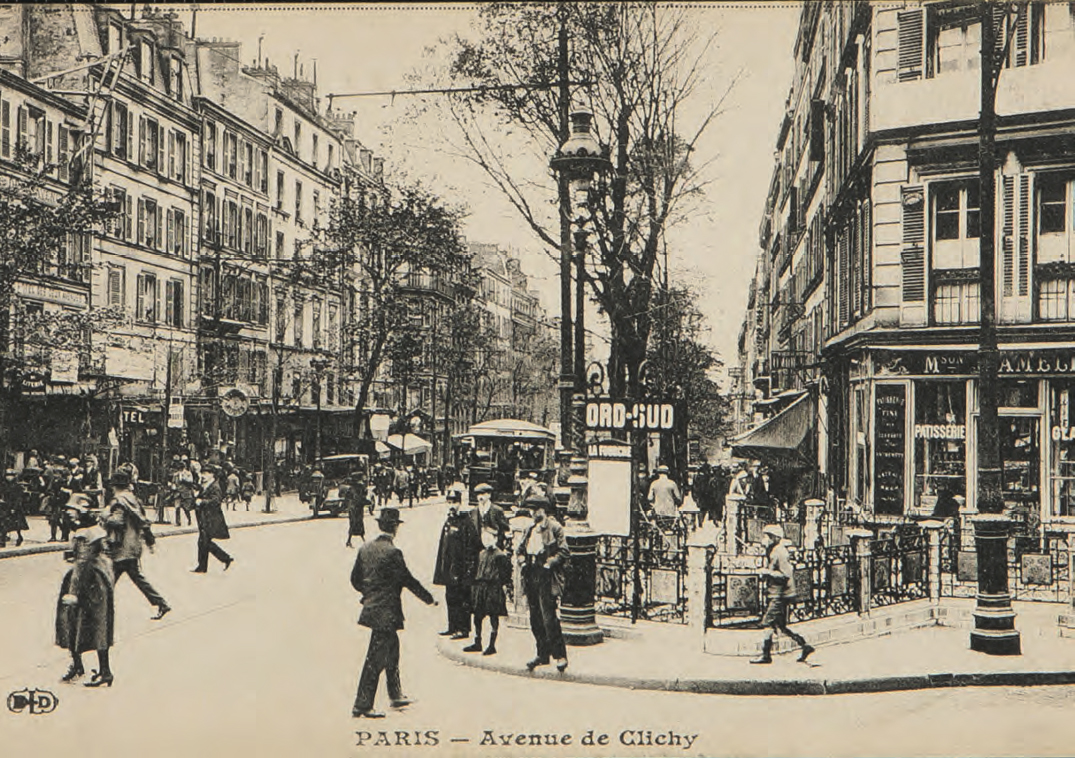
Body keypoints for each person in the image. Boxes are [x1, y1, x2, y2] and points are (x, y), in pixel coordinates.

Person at [350, 507, 436, 719]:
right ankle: (362, 705)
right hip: (386, 613)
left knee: (392, 651)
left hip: (373, 609)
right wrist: (429, 599)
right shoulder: (393, 553)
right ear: (395, 528)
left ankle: (395, 695)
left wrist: (369, 594)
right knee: (375, 659)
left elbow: (355, 580)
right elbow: (407, 580)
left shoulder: (365, 549)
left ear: (380, 526)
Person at [102, 466, 171, 621]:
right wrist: (150, 541)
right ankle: (161, 603)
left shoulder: (119, 500)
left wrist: (104, 517)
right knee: (135, 578)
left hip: (122, 547)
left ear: (115, 486)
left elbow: (118, 521)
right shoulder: (133, 498)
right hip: (132, 545)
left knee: (107, 580)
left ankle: (98, 610)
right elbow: (143, 521)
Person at [55, 521, 115, 687]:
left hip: (86, 584)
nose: (69, 514)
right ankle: (104, 670)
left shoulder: (82, 536)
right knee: (100, 626)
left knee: (72, 623)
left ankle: (80, 666)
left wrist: (73, 592)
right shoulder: (97, 533)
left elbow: (81, 563)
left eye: (73, 511)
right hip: (99, 581)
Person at [516, 496, 569, 673]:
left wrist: (549, 563)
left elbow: (564, 552)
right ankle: (542, 654)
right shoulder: (529, 529)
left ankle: (560, 656)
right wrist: (522, 561)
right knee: (535, 618)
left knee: (549, 618)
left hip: (546, 574)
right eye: (531, 510)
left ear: (543, 510)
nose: (533, 513)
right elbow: (520, 551)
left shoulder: (554, 528)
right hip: (531, 573)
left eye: (535, 510)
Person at [751, 524, 814, 665]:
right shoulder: (774, 550)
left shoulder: (780, 552)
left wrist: (767, 572)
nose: (765, 538)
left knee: (767, 623)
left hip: (779, 594)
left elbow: (785, 574)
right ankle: (805, 646)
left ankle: (765, 655)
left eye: (768, 536)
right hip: (776, 593)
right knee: (781, 626)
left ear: (775, 537)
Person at [432, 505, 478, 640]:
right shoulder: (449, 521)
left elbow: (471, 547)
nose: (452, 505)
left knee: (463, 599)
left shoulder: (466, 522)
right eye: (449, 501)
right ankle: (452, 627)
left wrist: (468, 569)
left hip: (461, 569)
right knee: (450, 597)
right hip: (449, 569)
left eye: (455, 501)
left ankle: (463, 629)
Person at [464, 526, 511, 656]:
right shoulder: (481, 554)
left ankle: (492, 645)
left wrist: (499, 584)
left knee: (493, 616)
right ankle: (477, 642)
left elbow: (505, 575)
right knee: (477, 616)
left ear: (495, 539)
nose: (486, 541)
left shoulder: (500, 555)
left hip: (493, 588)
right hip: (480, 588)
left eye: (489, 538)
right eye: (484, 538)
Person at [191, 466, 233, 573]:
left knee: (204, 541)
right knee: (204, 542)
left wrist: (202, 501)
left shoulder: (215, 486)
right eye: (202, 473)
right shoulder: (204, 486)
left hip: (212, 518)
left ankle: (223, 559)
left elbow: (216, 501)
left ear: (212, 475)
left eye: (206, 473)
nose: (203, 476)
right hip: (204, 517)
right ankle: (206, 565)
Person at [471, 482, 510, 547]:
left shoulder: (497, 510)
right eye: (478, 494)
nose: (480, 497)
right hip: (478, 546)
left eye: (483, 494)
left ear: (489, 495)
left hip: (494, 544)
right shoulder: (474, 511)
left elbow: (504, 528)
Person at [1, 468, 27, 547]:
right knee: (4, 523)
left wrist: (14, 508)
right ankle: (2, 540)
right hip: (5, 506)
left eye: (11, 476)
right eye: (7, 476)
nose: (9, 477)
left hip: (15, 507)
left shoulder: (17, 486)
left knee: (17, 525)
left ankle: (19, 537)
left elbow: (19, 498)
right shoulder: (3, 485)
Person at [344, 473, 367, 548]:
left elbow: (347, 498)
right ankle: (354, 540)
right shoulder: (361, 486)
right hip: (358, 507)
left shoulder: (351, 488)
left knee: (353, 523)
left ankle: (350, 540)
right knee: (358, 522)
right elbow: (364, 496)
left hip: (353, 507)